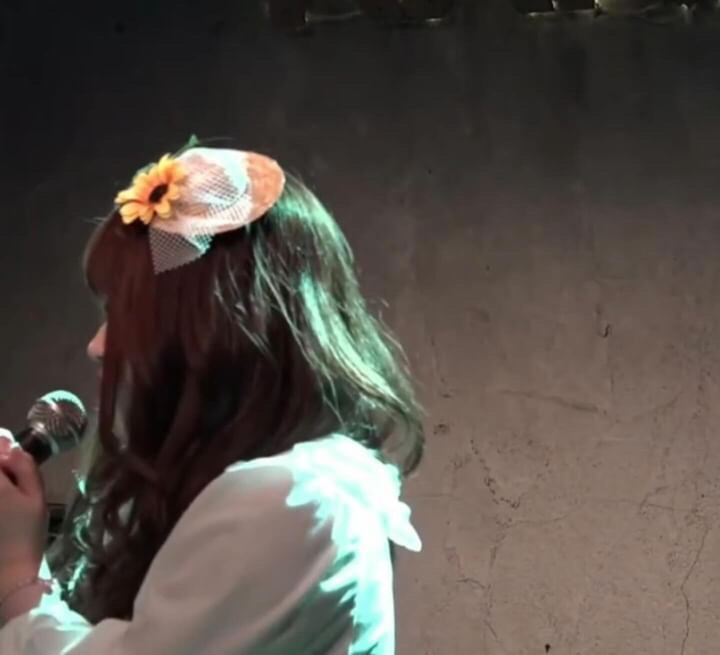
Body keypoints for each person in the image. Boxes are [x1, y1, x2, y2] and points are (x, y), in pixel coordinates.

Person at [0, 142, 424, 653]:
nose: (97, 346)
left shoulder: (285, 499)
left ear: (211, 328)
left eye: (123, 313)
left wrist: (16, 575)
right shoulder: (280, 491)